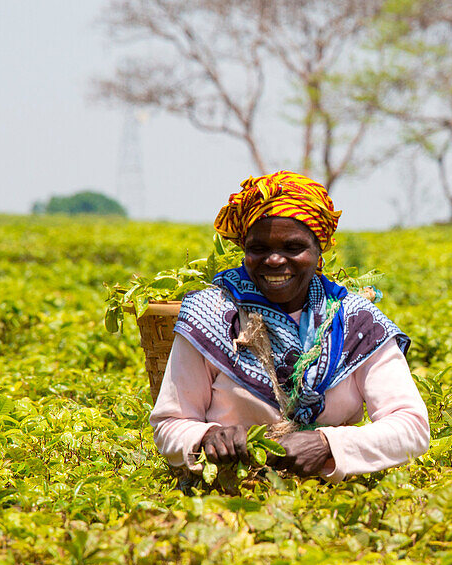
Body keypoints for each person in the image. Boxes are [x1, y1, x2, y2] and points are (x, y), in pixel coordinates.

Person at [150, 171, 430, 481]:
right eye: (258, 249)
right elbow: (169, 425)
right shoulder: (211, 315)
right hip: (226, 501)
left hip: (334, 506)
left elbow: (411, 428)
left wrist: (329, 444)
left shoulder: (356, 322)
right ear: (244, 250)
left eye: (293, 247)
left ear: (318, 251)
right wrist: (206, 437)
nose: (274, 260)